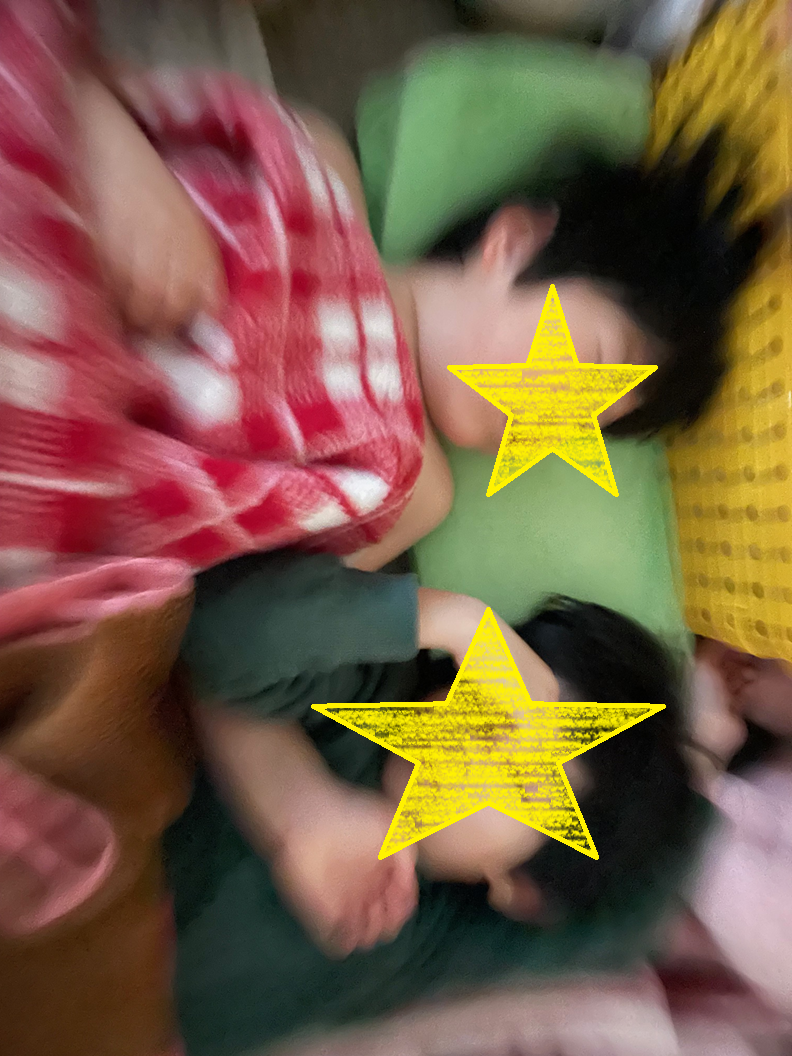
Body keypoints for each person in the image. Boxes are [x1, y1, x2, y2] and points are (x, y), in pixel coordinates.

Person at [67, 60, 767, 574]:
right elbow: (64, 78)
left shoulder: (416, 490)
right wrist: (112, 150)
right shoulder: (316, 170)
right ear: (513, 243)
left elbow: (242, 611)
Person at [169, 547, 703, 1056]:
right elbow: (213, 626)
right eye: (495, 707)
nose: (474, 744)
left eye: (522, 780)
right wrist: (456, 620)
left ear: (519, 890)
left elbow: (642, 910)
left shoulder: (435, 941)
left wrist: (707, 754)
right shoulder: (361, 684)